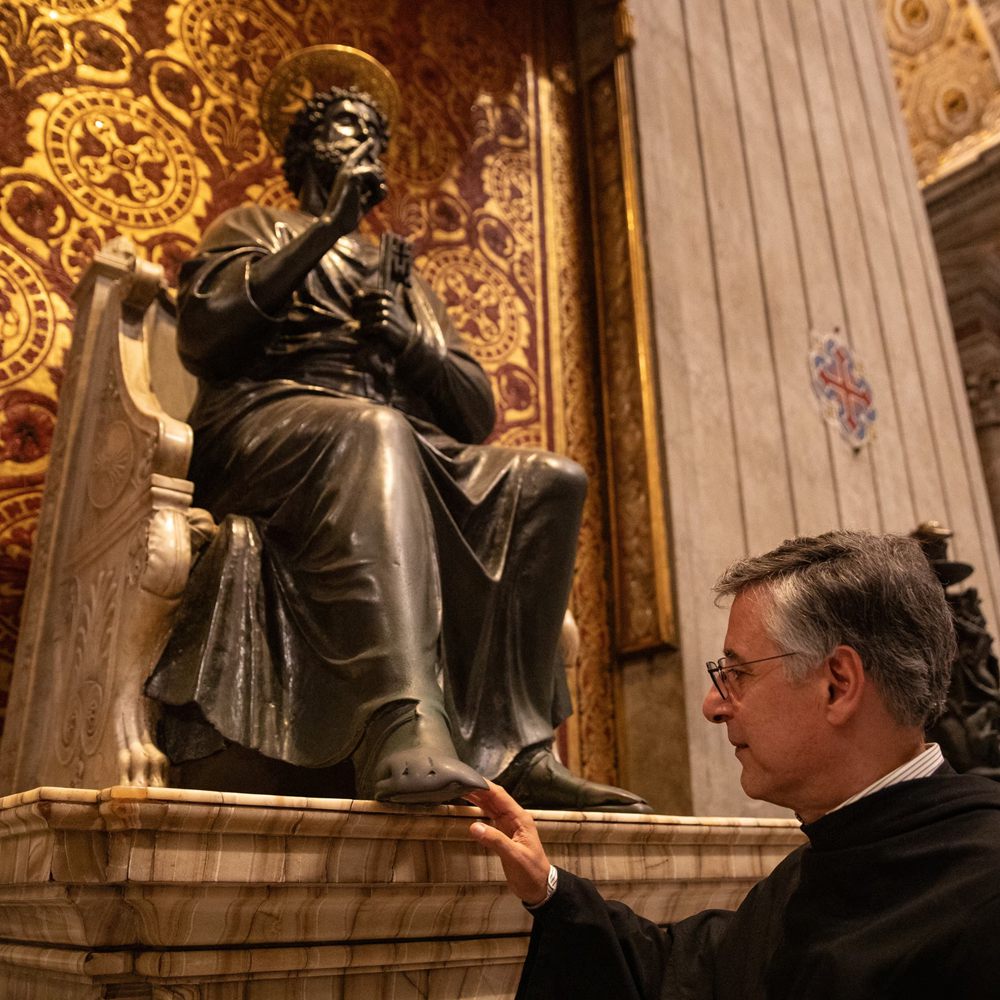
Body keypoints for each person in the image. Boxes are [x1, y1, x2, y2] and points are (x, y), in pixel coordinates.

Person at [146, 46, 648, 814]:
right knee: (374, 431)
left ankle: (521, 751)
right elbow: (208, 335)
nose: (365, 149)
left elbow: (473, 413)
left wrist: (410, 343)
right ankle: (403, 723)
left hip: (392, 443)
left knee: (550, 481)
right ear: (308, 148)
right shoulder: (256, 226)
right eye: (348, 131)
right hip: (262, 423)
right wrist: (325, 232)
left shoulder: (399, 273)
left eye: (374, 140)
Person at [469, 530, 1000, 998]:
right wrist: (550, 890)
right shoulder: (819, 864)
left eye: (738, 674)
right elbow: (690, 973)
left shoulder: (983, 887)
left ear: (838, 684)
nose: (712, 705)